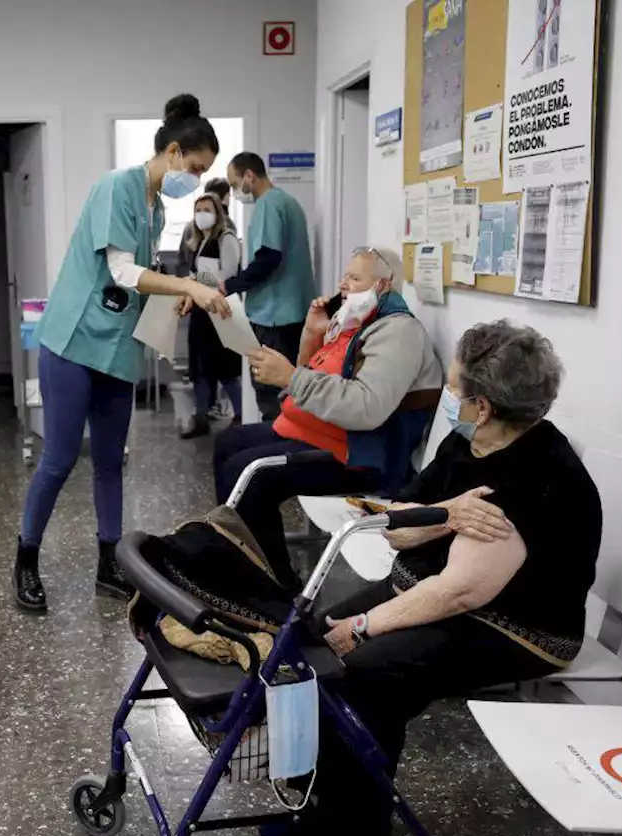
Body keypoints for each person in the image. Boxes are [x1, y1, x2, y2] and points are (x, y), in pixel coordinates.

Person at [265, 321, 602, 836]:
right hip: (441, 590)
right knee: (311, 642)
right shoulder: (466, 442)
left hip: (514, 624)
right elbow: (400, 528)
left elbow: (460, 594)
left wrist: (365, 626)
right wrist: (445, 516)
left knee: (365, 674)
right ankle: (318, 809)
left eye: (455, 388)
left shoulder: (534, 475)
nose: (448, 395)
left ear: (484, 403)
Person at [13, 94, 230, 613]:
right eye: (196, 169)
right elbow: (119, 272)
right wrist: (190, 287)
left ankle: (109, 564)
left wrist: (175, 292)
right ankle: (25, 561)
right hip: (73, 342)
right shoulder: (117, 187)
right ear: (174, 152)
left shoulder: (156, 207)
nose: (196, 183)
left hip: (115, 348)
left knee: (111, 461)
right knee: (60, 459)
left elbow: (139, 279)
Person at [215, 246, 441, 587]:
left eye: (354, 277)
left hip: (366, 457)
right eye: (344, 276)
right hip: (332, 435)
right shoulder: (355, 325)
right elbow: (314, 380)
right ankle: (240, 559)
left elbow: (366, 408)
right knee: (229, 441)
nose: (343, 284)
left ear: (383, 285)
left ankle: (275, 588)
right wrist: (312, 334)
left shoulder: (397, 332)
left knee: (251, 475)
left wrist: (290, 377)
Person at [221, 152, 318, 421]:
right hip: (293, 313)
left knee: (270, 393)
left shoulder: (268, 204)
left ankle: (272, 454)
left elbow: (268, 258)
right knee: (289, 392)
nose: (234, 191)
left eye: (234, 183)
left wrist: (229, 285)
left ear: (249, 176)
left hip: (273, 316)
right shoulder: (289, 202)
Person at [176, 193, 242, 439]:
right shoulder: (199, 241)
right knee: (201, 370)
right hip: (202, 312)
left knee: (225, 370)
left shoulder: (227, 239)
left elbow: (228, 276)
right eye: (198, 209)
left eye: (207, 209)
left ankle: (241, 416)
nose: (202, 214)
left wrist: (195, 280)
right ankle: (201, 418)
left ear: (217, 212)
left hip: (221, 311)